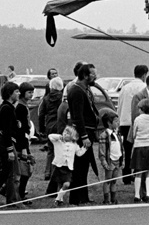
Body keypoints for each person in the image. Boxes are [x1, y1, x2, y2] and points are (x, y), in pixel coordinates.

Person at [66, 62, 100, 205]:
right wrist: (84, 136)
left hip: (88, 131)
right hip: (82, 134)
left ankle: (83, 196)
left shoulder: (84, 89)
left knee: (84, 166)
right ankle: (76, 198)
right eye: (93, 74)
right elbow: (78, 116)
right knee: (80, 166)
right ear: (85, 75)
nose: (95, 76)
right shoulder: (77, 91)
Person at [0, 81, 25, 206]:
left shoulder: (7, 107)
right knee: (12, 173)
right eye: (16, 91)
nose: (19, 93)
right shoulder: (7, 108)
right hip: (5, 144)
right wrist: (10, 149)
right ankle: (11, 200)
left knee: (6, 173)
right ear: (10, 93)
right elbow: (6, 131)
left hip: (4, 143)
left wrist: (16, 124)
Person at [117, 64, 149, 178]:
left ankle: (126, 172)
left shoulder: (125, 87)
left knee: (127, 148)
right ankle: (136, 171)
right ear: (145, 75)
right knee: (138, 147)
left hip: (125, 121)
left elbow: (120, 105)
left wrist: (119, 120)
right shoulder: (144, 87)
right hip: (139, 121)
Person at [128, 98, 149, 203]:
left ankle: (137, 195)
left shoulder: (138, 119)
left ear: (142, 109)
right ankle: (148, 195)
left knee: (138, 172)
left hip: (139, 145)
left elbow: (134, 132)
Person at [48, 123, 82, 206]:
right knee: (59, 183)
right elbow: (50, 136)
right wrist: (59, 137)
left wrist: (85, 148)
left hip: (68, 168)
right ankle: (60, 200)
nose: (65, 134)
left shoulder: (74, 145)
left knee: (67, 184)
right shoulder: (58, 142)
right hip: (59, 165)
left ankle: (57, 199)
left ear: (72, 136)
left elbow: (79, 153)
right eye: (64, 132)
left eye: (68, 133)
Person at [38, 76, 64, 180]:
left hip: (49, 125)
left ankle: (47, 172)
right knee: (59, 150)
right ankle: (55, 172)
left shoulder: (46, 98)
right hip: (60, 125)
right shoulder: (62, 98)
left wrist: (42, 128)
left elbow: (41, 114)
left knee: (50, 150)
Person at [96, 109, 124, 205]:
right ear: (109, 123)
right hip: (110, 161)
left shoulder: (117, 134)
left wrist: (122, 160)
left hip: (117, 160)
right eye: (116, 121)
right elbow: (102, 151)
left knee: (114, 181)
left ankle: (113, 198)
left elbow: (121, 147)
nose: (118, 123)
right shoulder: (104, 135)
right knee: (108, 180)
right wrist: (104, 161)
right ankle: (106, 199)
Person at [14, 82, 35, 203]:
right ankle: (20, 194)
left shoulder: (23, 105)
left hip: (25, 139)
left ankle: (21, 193)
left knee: (27, 167)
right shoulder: (20, 107)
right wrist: (23, 147)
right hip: (21, 141)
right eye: (29, 92)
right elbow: (21, 129)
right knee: (25, 168)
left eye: (32, 92)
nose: (31, 95)